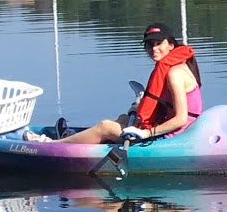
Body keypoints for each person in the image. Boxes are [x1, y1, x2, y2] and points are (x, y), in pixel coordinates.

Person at [56, 24, 204, 146]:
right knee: (123, 119)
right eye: (149, 45)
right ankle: (75, 140)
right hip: (176, 130)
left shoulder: (174, 74)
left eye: (159, 44)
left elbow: (181, 119)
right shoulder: (179, 65)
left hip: (175, 137)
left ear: (171, 45)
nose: (154, 49)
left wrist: (146, 133)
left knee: (105, 127)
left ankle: (54, 146)